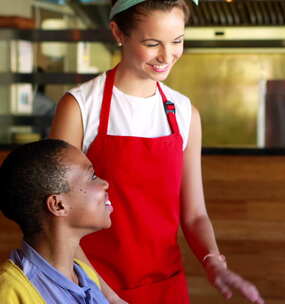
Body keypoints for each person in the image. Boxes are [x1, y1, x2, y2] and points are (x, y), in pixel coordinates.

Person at [49, 0, 264, 303]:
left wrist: (213, 262)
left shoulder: (185, 113)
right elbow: (57, 217)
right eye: (152, 43)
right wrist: (104, 294)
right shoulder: (81, 106)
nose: (167, 56)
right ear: (118, 33)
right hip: (89, 284)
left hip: (165, 286)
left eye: (177, 41)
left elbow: (194, 214)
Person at [0, 139, 111, 303]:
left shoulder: (86, 275)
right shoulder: (10, 292)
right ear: (58, 205)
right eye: (92, 176)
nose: (105, 184)